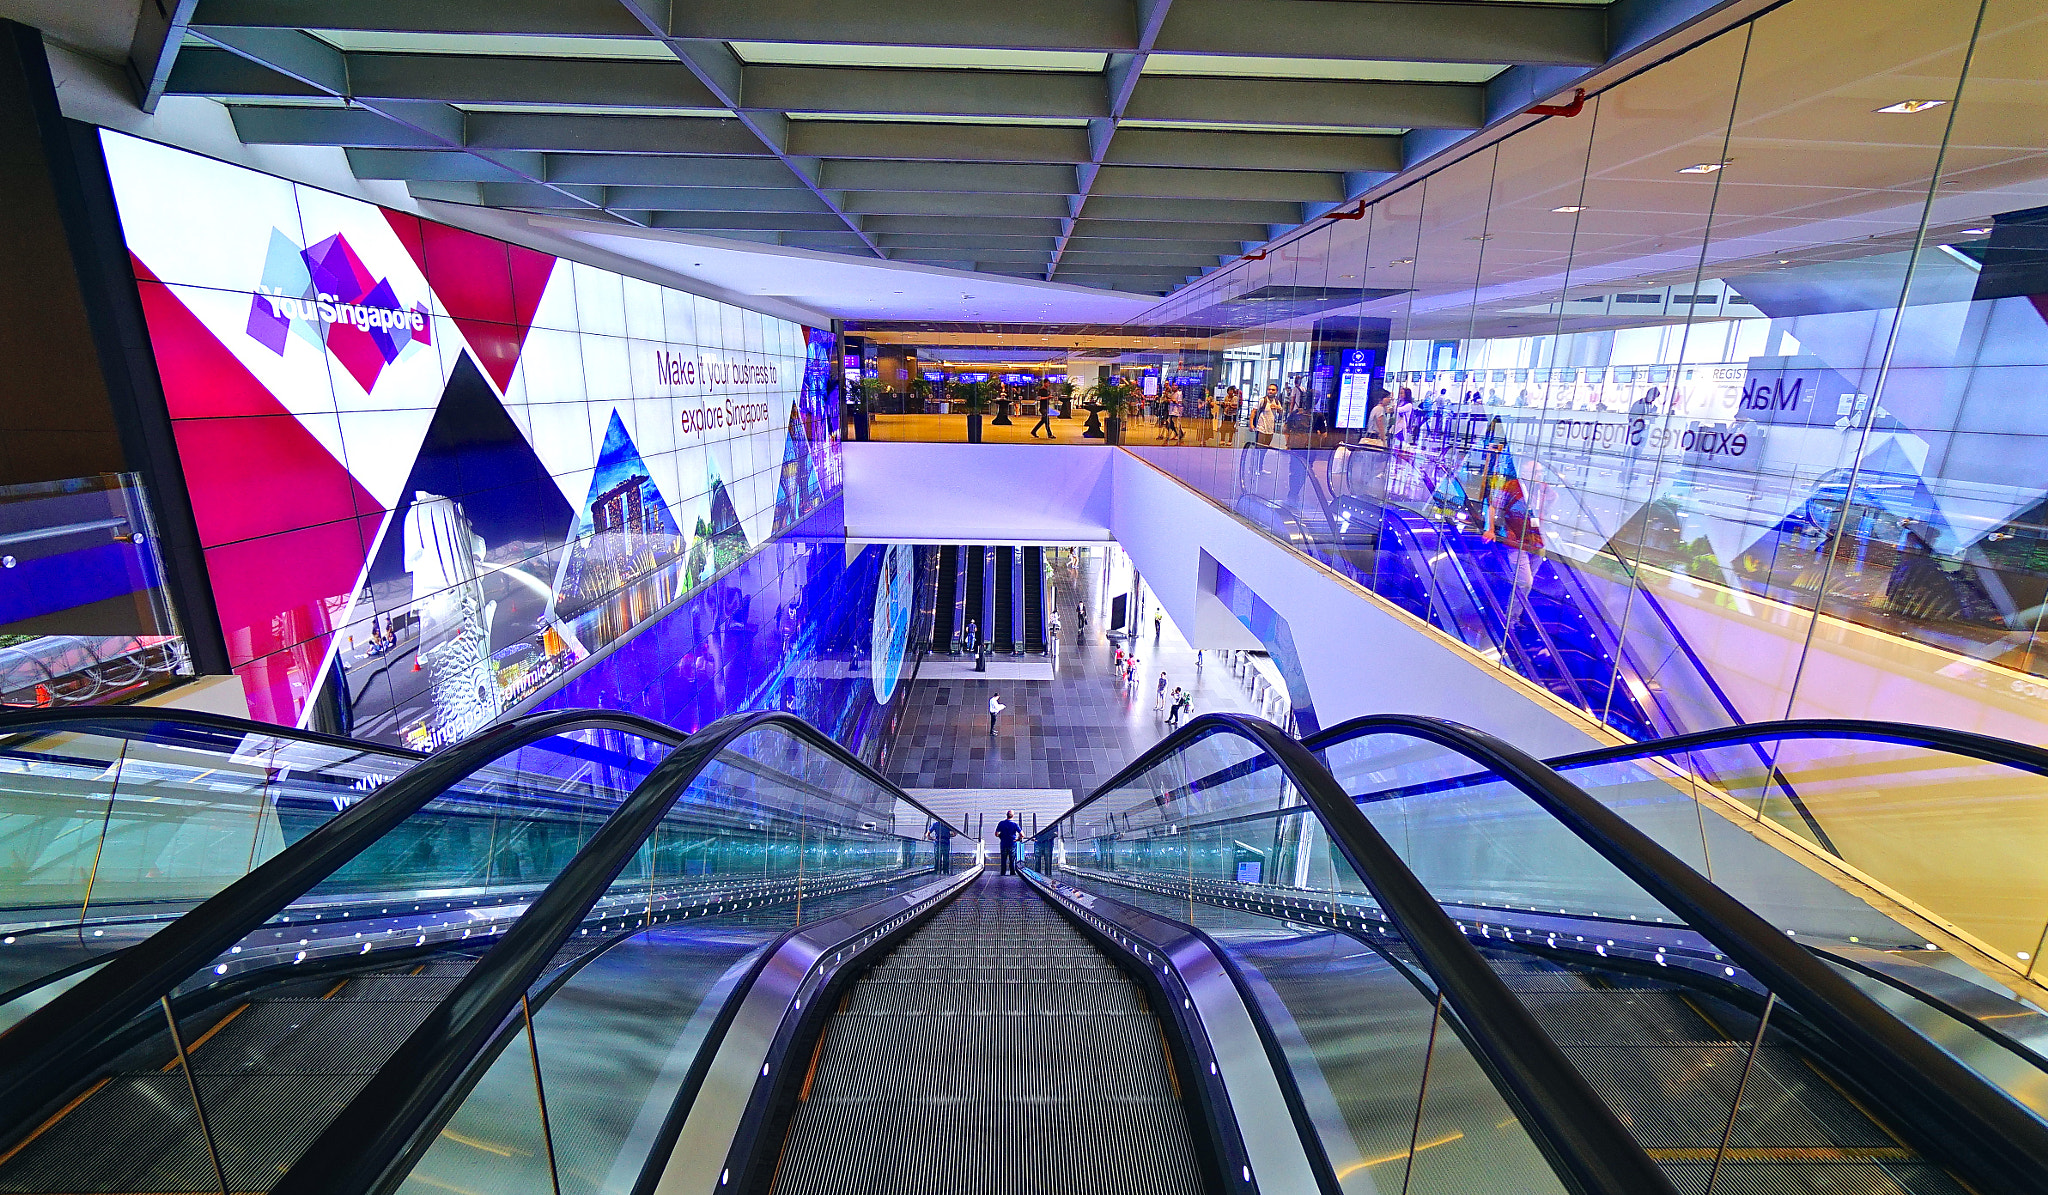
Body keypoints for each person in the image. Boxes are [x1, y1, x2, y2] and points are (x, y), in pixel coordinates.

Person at [996, 810, 1022, 876]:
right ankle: (1012, 873)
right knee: (1012, 860)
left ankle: (1003, 873)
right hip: (1012, 844)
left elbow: (996, 834)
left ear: (1006, 815)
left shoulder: (1001, 823)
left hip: (1003, 844)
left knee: (1003, 859)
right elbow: (1022, 834)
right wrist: (1018, 839)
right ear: (1013, 816)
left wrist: (1001, 836)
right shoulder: (1015, 824)